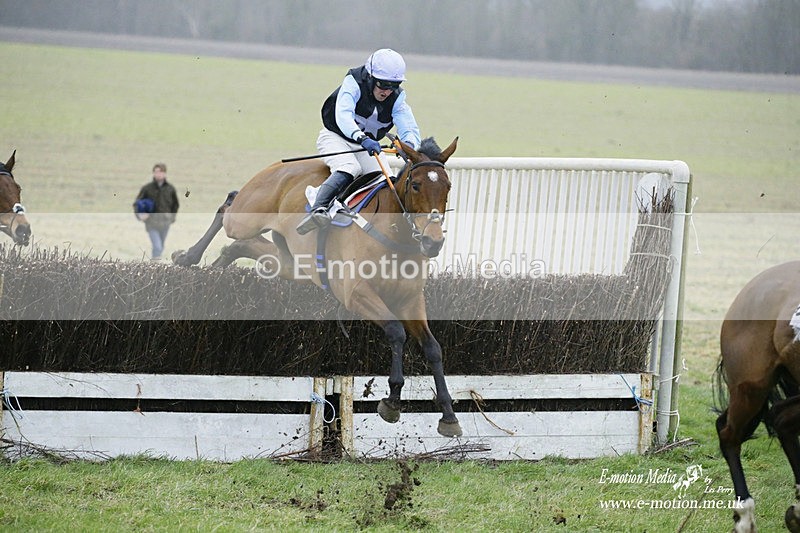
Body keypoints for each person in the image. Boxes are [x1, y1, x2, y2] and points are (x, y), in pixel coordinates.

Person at [296, 48, 421, 235]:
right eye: (383, 84)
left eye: (393, 86)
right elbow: (343, 115)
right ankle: (318, 206)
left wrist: (408, 146)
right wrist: (361, 138)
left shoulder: (398, 98)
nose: (387, 91)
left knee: (386, 181)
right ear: (370, 77)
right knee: (350, 168)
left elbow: (409, 128)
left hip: (366, 145)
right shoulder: (353, 82)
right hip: (335, 137)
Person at [134, 163, 179, 260]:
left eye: (160, 172)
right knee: (157, 247)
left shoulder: (170, 189)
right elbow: (137, 203)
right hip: (151, 223)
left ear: (165, 173)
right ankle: (155, 267)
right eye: (156, 172)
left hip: (165, 223)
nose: (158, 174)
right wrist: (140, 215)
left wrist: (172, 218)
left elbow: (175, 205)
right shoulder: (147, 188)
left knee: (161, 247)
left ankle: (154, 266)